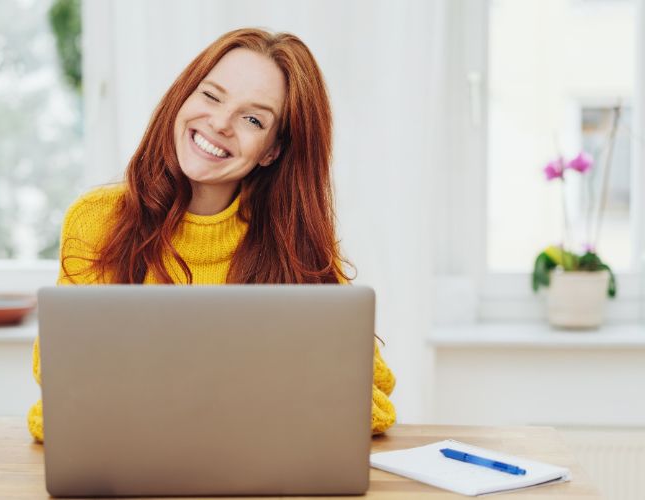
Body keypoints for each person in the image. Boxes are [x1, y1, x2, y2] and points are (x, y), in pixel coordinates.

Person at [27, 28, 395, 442]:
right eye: (211, 96)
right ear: (183, 97)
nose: (220, 123)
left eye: (253, 119)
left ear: (272, 150)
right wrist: (260, 388)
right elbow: (61, 390)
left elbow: (371, 403)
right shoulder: (98, 220)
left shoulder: (294, 246)